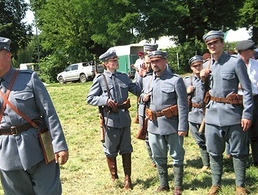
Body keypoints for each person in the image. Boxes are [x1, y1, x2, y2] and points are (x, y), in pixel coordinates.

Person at [0, 36, 69, 195]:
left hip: (39, 149)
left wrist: (59, 145)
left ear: (8, 56)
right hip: (7, 156)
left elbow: (49, 113)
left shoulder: (29, 78)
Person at [200, 31, 253, 195]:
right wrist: (202, 79)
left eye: (215, 42)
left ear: (222, 43)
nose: (212, 46)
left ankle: (240, 186)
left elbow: (247, 90)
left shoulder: (235, 62)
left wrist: (247, 114)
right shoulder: (207, 65)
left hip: (232, 114)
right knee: (214, 151)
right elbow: (204, 93)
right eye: (209, 44)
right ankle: (216, 184)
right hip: (212, 116)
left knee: (238, 152)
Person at [87, 50, 141, 190]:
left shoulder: (123, 77)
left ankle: (127, 179)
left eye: (116, 60)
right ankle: (114, 176)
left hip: (124, 118)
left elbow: (136, 89)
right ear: (106, 64)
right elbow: (90, 98)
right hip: (110, 120)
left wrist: (141, 75)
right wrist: (104, 100)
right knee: (110, 150)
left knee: (126, 149)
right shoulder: (100, 79)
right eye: (113, 61)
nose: (116, 62)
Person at [141, 50, 188, 195]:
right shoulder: (147, 80)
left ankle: (178, 186)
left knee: (176, 155)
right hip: (154, 124)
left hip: (172, 124)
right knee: (158, 156)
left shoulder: (175, 80)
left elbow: (183, 105)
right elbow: (142, 98)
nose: (154, 64)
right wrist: (143, 97)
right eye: (152, 61)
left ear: (165, 61)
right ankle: (163, 184)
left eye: (158, 61)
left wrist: (183, 126)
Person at [235, 40, 258, 167]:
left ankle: (256, 160)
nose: (254, 52)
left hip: (255, 100)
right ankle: (243, 161)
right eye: (252, 50)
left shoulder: (255, 64)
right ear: (245, 51)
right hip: (239, 102)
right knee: (242, 132)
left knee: (256, 131)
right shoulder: (233, 64)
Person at [184, 55, 209, 172]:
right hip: (193, 114)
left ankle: (215, 161)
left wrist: (205, 80)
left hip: (207, 113)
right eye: (195, 66)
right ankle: (206, 163)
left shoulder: (209, 78)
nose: (197, 68)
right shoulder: (187, 81)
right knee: (200, 140)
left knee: (210, 139)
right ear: (191, 67)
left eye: (199, 65)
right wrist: (187, 92)